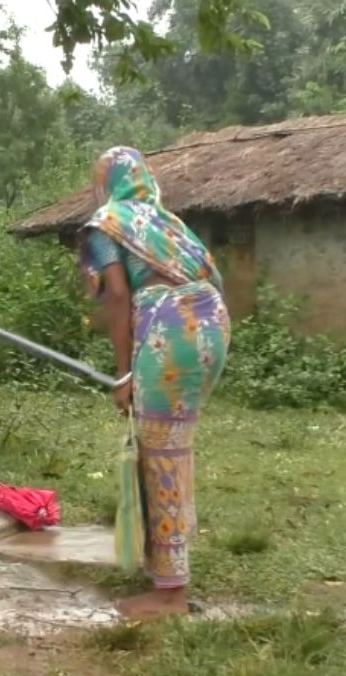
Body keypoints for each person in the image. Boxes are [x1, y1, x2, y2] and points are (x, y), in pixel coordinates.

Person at [78, 146, 230, 619]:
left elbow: (118, 296)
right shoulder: (166, 223)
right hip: (210, 324)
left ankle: (170, 593)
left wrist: (123, 373)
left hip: (170, 332)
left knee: (162, 450)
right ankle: (166, 566)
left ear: (106, 183)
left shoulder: (110, 222)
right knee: (171, 446)